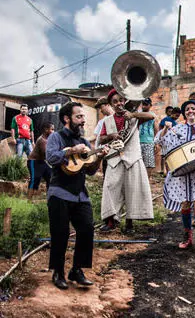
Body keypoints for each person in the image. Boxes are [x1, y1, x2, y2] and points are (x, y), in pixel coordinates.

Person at [46, 102, 109, 290]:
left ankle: (77, 270)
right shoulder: (55, 137)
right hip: (59, 193)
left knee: (87, 229)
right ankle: (58, 272)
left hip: (80, 194)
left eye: (83, 117)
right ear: (67, 118)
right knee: (60, 233)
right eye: (79, 116)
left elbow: (89, 171)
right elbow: (51, 158)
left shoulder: (85, 142)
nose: (83, 120)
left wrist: (98, 157)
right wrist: (72, 151)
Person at [156, 100, 195, 248]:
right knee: (185, 202)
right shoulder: (177, 129)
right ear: (184, 113)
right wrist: (166, 129)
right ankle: (187, 237)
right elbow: (160, 141)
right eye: (187, 109)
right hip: (183, 171)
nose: (190, 111)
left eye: (193, 109)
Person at [99, 89, 154, 233]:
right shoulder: (107, 120)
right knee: (110, 188)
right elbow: (101, 139)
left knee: (132, 190)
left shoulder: (134, 117)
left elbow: (151, 115)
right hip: (114, 159)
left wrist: (133, 114)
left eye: (121, 100)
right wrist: (111, 136)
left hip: (132, 158)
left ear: (125, 101)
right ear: (111, 104)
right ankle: (111, 221)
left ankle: (129, 223)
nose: (118, 104)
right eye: (115, 102)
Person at [27, 122, 54, 199]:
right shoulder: (42, 140)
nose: (53, 131)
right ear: (46, 130)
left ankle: (50, 199)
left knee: (51, 177)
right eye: (52, 129)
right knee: (34, 179)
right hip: (33, 161)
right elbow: (46, 155)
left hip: (41, 162)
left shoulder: (49, 139)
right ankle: (29, 201)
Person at [94, 97, 114, 176]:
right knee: (106, 176)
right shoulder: (102, 121)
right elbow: (98, 137)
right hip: (106, 153)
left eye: (101, 107)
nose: (100, 110)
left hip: (119, 153)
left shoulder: (118, 117)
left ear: (108, 105)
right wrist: (97, 151)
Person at [139, 98, 157, 177]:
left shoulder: (153, 115)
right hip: (138, 142)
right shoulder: (138, 114)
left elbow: (156, 129)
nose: (144, 106)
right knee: (139, 163)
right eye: (143, 104)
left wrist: (155, 142)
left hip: (149, 142)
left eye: (146, 104)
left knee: (149, 163)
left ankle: (147, 180)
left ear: (150, 105)